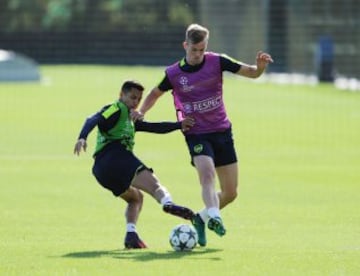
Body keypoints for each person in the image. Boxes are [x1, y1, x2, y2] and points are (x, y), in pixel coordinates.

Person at [135, 23, 273, 247]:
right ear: (185, 45)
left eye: (201, 49)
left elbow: (252, 73)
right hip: (196, 132)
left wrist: (260, 68)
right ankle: (215, 217)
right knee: (207, 175)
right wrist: (141, 112)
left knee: (230, 193)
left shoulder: (217, 61)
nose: (198, 54)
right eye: (193, 50)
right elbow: (155, 93)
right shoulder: (173, 73)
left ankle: (201, 218)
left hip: (222, 131)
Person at [73, 80, 195, 249]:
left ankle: (131, 236)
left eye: (138, 99)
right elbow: (93, 118)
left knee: (135, 198)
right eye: (132, 97)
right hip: (115, 156)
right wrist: (82, 137)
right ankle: (168, 204)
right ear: (121, 95)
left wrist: (178, 125)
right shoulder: (116, 109)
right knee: (155, 185)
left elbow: (154, 127)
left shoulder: (131, 118)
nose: (135, 102)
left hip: (101, 171)